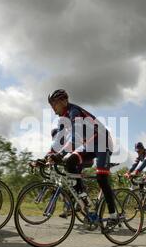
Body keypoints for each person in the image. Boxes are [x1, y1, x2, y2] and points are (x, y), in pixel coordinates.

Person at [46, 89, 117, 231]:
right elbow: (59, 140)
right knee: (70, 162)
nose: (53, 108)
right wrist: (46, 156)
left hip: (102, 142)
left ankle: (113, 215)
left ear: (64, 102)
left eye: (54, 104)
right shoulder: (63, 118)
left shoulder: (74, 112)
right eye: (51, 105)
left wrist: (59, 154)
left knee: (101, 178)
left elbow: (76, 137)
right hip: (89, 144)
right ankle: (83, 196)